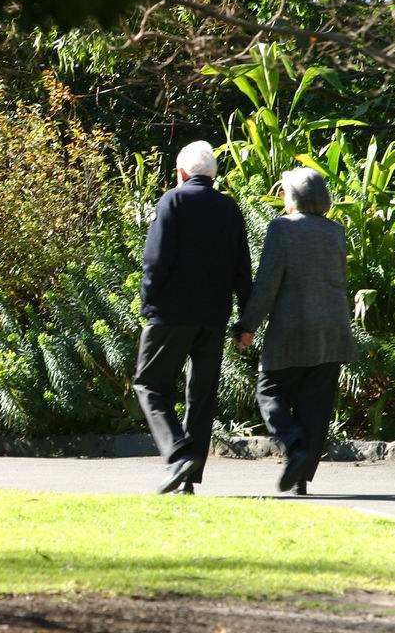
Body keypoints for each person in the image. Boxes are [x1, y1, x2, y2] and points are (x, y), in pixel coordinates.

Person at [133, 141, 252, 495]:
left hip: (170, 314)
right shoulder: (229, 208)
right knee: (201, 395)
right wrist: (245, 323)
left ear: (181, 173)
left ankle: (178, 452)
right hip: (213, 317)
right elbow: (242, 271)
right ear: (212, 176)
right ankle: (188, 479)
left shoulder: (173, 200)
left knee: (149, 384)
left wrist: (148, 304)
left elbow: (154, 261)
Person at [232, 167, 356, 495]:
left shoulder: (281, 229)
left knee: (269, 389)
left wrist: (247, 325)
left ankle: (293, 446)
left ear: (295, 197)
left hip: (293, 325)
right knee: (315, 404)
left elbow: (267, 284)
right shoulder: (336, 231)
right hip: (333, 328)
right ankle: (301, 477)